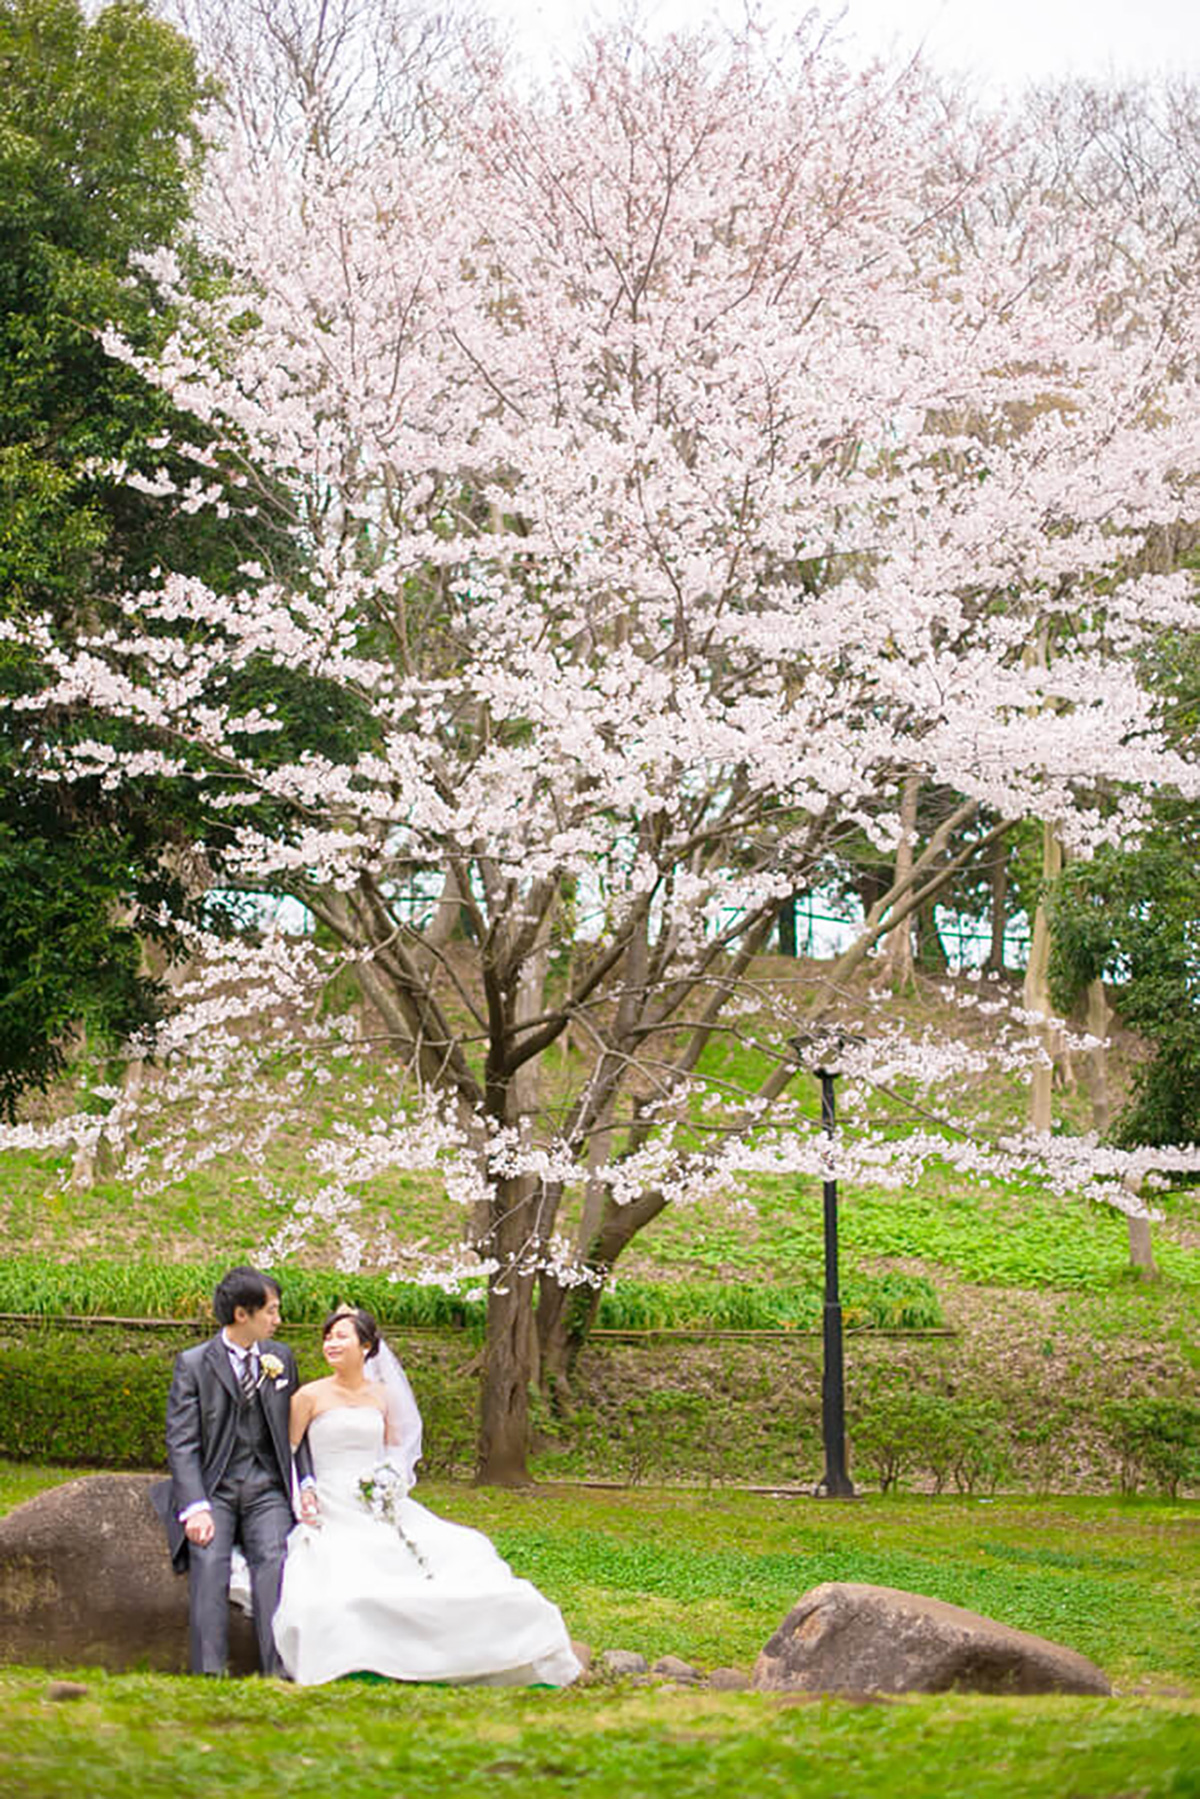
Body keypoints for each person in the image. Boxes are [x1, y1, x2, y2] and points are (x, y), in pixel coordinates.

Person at [272, 1305, 582, 1687]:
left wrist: (389, 1481)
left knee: (464, 1548)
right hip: (329, 1499)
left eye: (341, 1336)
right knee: (347, 1563)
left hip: (377, 1499)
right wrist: (301, 1494)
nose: (330, 1343)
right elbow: (287, 1453)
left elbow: (392, 1452)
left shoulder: (382, 1396)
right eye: (328, 1337)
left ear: (366, 1347)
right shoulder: (309, 1396)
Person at [150, 1265, 318, 1676]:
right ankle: (210, 1670)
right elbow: (182, 1441)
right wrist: (195, 1506)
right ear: (242, 1314)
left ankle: (276, 1669)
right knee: (208, 1561)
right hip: (215, 1488)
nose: (278, 1320)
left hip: (266, 1489)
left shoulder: (281, 1359)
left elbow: (297, 1432)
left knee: (274, 1560)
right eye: (272, 1311)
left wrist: (306, 1483)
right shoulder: (193, 1365)